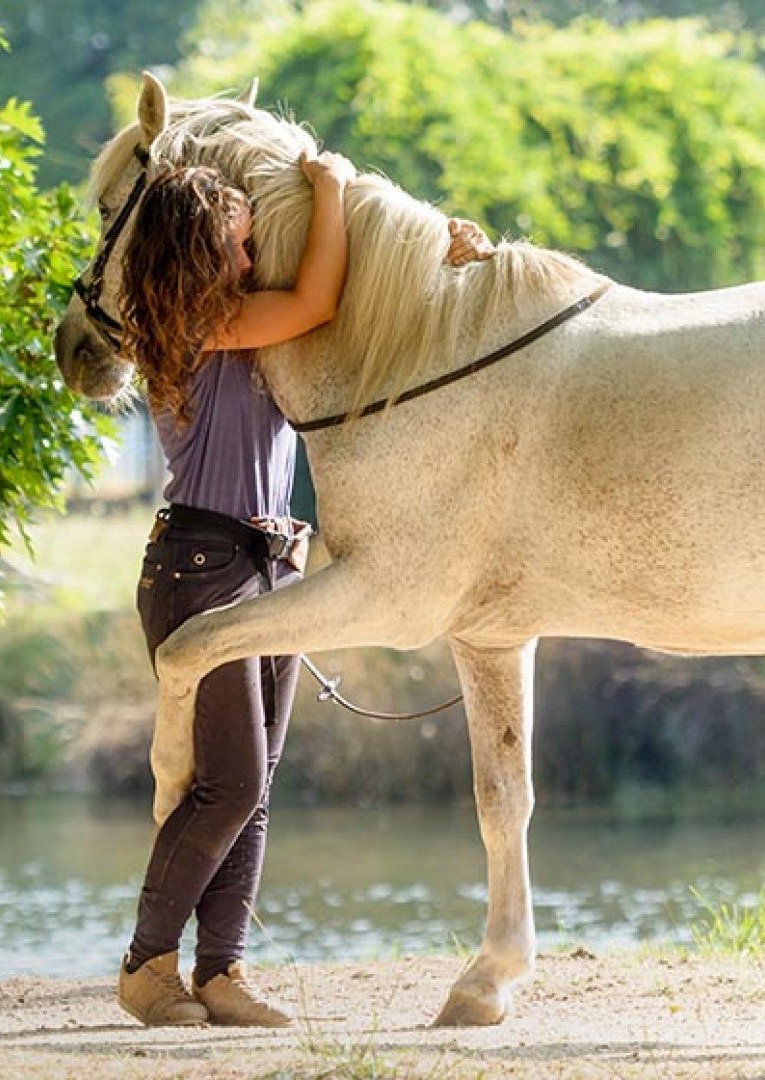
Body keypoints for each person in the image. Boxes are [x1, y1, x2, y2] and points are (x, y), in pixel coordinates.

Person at [111, 152, 495, 1027]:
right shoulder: (196, 324)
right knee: (231, 784)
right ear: (200, 254)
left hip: (271, 561)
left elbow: (349, 317)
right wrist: (330, 188)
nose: (251, 263)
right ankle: (145, 965)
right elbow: (319, 298)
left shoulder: (251, 326)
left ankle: (220, 973)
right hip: (203, 565)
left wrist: (443, 258)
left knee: (254, 782)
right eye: (242, 248)